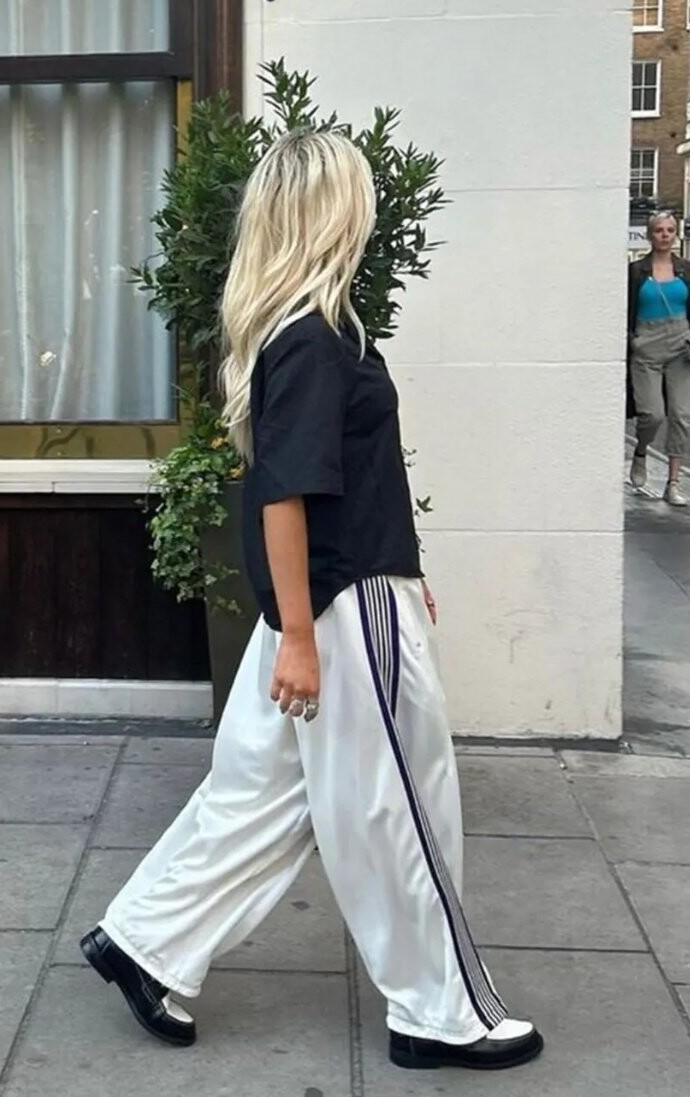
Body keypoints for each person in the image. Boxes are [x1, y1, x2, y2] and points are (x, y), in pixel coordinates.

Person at [80, 130, 543, 1073]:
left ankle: (146, 941)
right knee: (399, 806)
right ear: (334, 210)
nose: (368, 212)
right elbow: (284, 494)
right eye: (359, 196)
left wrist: (397, 573)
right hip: (335, 610)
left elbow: (338, 483)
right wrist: (304, 631)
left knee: (261, 793)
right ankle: (439, 1010)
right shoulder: (313, 339)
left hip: (328, 600)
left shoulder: (303, 332)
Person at [627, 211, 690, 505]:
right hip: (646, 346)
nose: (664, 235)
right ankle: (641, 450)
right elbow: (625, 310)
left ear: (676, 234)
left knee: (681, 415)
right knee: (652, 414)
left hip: (681, 345)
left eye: (670, 230)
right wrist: (632, 340)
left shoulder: (688, 270)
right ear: (650, 235)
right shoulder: (636, 271)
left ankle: (673, 483)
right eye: (659, 230)